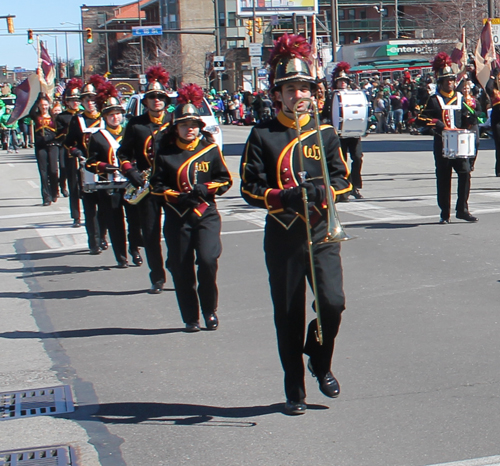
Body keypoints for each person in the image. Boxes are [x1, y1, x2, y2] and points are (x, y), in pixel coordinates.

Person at [239, 34, 352, 415]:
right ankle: (294, 389)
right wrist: (280, 196)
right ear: (279, 94)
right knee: (288, 314)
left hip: (321, 233)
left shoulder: (326, 134)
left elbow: (344, 180)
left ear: (312, 92)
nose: (297, 95)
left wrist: (325, 190)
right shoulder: (263, 135)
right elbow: (249, 188)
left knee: (333, 304)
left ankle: (320, 361)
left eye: (303, 88)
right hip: (284, 236)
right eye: (290, 89)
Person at [150, 83, 232, 331]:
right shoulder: (165, 154)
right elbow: (155, 186)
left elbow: (226, 180)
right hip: (178, 217)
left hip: (205, 214)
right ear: (176, 128)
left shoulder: (209, 150)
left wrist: (207, 189)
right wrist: (176, 196)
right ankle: (190, 317)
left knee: (208, 261)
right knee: (182, 268)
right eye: (185, 125)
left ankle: (210, 310)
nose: (190, 129)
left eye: (194, 125)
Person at [117, 65, 171, 293]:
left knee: (176, 233)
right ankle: (157, 276)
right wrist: (131, 171)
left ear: (166, 100)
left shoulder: (176, 120)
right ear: (145, 101)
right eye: (151, 97)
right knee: (150, 233)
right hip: (146, 185)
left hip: (172, 184)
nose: (156, 100)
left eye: (160, 97)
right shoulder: (136, 124)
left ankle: (177, 267)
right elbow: (123, 153)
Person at [86, 82, 143, 268]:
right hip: (110, 186)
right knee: (115, 223)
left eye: (118, 113)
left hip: (131, 183)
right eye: (111, 114)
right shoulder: (97, 137)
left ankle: (135, 249)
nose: (115, 117)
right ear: (105, 117)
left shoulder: (131, 133)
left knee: (135, 221)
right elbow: (90, 163)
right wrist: (105, 167)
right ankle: (121, 256)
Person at [416, 52, 478, 223]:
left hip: (460, 144)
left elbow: (473, 116)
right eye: (447, 80)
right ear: (441, 82)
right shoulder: (434, 100)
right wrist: (437, 124)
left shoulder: (461, 98)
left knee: (465, 173)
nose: (450, 83)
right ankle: (445, 213)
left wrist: (471, 118)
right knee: (444, 179)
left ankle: (462, 209)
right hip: (442, 144)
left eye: (451, 80)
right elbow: (419, 120)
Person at [64, 75, 109, 253]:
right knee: (90, 207)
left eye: (92, 99)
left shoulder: (106, 118)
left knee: (106, 206)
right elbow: (69, 143)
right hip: (86, 169)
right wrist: (76, 153)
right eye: (86, 99)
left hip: (106, 168)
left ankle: (103, 235)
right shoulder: (78, 120)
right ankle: (94, 242)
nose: (90, 103)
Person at [322, 62, 365, 200]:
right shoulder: (331, 97)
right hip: (338, 135)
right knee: (341, 161)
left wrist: (364, 124)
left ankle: (355, 186)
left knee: (357, 158)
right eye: (340, 81)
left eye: (345, 81)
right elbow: (325, 115)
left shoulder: (354, 94)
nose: (343, 83)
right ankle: (343, 188)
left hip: (353, 133)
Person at [56, 78, 83, 227]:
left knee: (86, 187)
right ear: (67, 101)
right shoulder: (62, 117)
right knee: (73, 186)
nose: (75, 103)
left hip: (84, 155)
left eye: (78, 100)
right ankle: (76, 216)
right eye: (72, 100)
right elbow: (59, 137)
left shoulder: (83, 116)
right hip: (70, 154)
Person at [30, 94, 59, 206]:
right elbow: (31, 112)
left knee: (53, 170)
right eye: (42, 105)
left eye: (46, 104)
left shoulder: (54, 117)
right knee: (43, 172)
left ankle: (54, 191)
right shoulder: (36, 116)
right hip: (40, 146)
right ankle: (46, 197)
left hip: (52, 145)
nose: (44, 107)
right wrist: (38, 99)